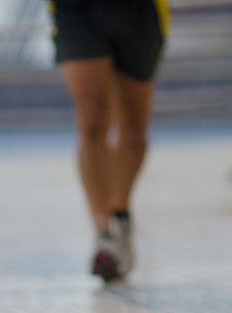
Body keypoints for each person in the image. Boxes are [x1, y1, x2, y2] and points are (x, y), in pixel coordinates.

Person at [49, 0, 169, 282]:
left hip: (140, 11)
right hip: (76, 10)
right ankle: (104, 234)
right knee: (91, 118)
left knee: (133, 127)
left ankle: (120, 213)